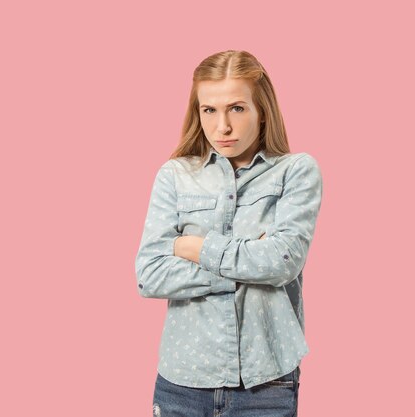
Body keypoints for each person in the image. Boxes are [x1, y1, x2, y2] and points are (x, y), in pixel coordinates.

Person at [135, 50, 322, 417]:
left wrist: (193, 247)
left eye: (236, 108)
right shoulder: (175, 175)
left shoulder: (295, 172)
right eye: (209, 110)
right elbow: (149, 275)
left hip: (265, 385)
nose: (222, 126)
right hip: (182, 383)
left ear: (262, 109)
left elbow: (283, 262)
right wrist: (249, 262)